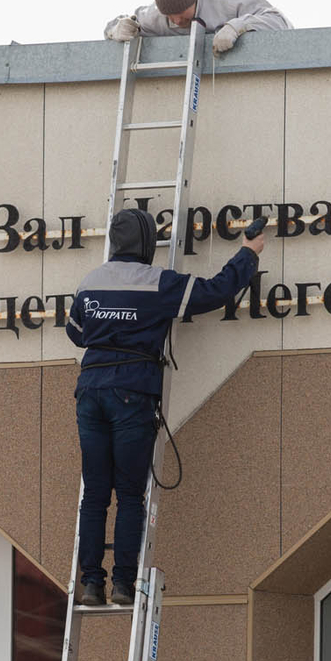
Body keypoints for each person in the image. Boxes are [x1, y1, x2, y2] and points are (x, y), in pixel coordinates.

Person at [66, 208, 266, 606]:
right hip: (131, 392)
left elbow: (76, 334)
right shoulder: (156, 282)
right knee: (129, 494)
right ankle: (122, 585)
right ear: (146, 243)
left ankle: (90, 584)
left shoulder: (90, 282)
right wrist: (248, 252)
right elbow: (215, 291)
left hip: (90, 392)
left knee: (95, 495)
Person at [104, 0, 290, 56]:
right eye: (169, 15)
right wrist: (116, 30)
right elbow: (115, 27)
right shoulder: (155, 16)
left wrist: (237, 26)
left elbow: (279, 20)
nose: (176, 20)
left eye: (181, 12)